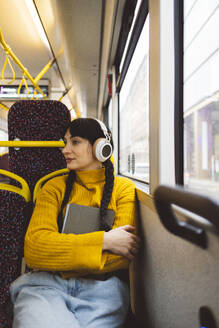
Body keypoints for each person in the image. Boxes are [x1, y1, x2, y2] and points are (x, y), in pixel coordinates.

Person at [10, 118, 140, 328]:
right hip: (45, 286)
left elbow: (122, 255)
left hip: (103, 290)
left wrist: (59, 256)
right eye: (65, 142)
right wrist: (105, 241)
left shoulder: (123, 189)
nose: (65, 150)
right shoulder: (53, 188)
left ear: (100, 147)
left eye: (75, 142)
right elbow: (35, 249)